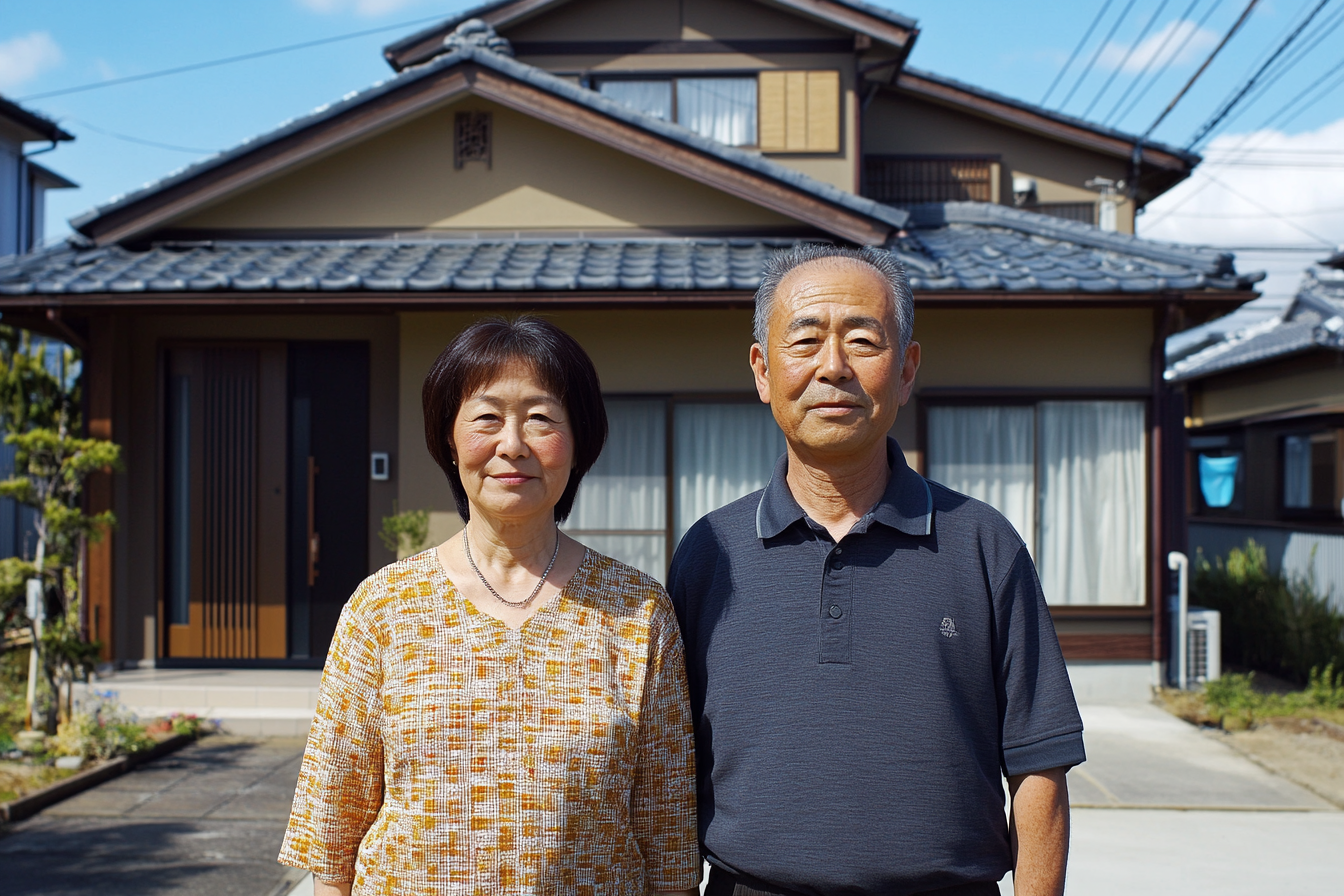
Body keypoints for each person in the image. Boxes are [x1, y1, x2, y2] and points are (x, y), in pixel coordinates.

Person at [668, 245, 1085, 896]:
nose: (833, 367)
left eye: (863, 340)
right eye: (805, 340)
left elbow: (1040, 767)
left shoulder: (982, 543)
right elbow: (671, 770)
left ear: (907, 367)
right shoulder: (709, 554)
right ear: (761, 369)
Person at [279, 316, 701, 896]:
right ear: (448, 440)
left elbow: (668, 839)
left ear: (579, 443)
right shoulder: (383, 609)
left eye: (541, 418)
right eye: (487, 417)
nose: (512, 444)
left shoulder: (637, 612)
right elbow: (332, 840)